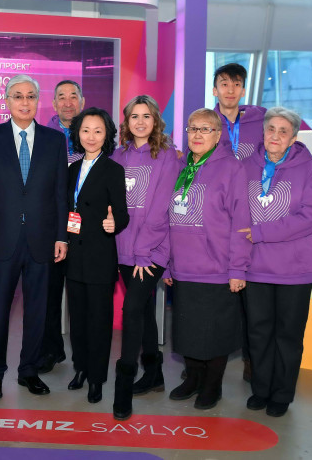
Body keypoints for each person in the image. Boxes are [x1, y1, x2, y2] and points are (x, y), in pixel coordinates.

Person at [0, 74, 68, 400]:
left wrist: (62, 236)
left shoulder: (55, 140)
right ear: (7, 101)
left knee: (38, 312)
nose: (25, 102)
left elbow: (60, 193)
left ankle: (29, 370)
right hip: (1, 239)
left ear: (38, 100)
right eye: (18, 96)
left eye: (30, 96)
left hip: (43, 239)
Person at [164, 108, 252, 410]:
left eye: (205, 129)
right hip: (183, 268)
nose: (198, 135)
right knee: (187, 331)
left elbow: (242, 222)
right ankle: (192, 379)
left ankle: (212, 386)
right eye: (193, 129)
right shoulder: (180, 166)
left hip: (217, 268)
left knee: (215, 333)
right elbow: (167, 218)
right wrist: (167, 263)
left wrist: (238, 268)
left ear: (218, 135)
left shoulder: (232, 168)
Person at [240, 107, 312, 418]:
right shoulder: (246, 166)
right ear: (263, 132)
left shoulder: (309, 168)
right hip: (255, 266)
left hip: (295, 269)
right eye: (271, 129)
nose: (275, 135)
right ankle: (261, 389)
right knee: (258, 332)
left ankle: (282, 393)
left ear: (293, 138)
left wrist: (260, 232)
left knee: (288, 335)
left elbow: (310, 217)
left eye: (283, 131)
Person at [111, 95, 181, 420]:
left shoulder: (168, 156)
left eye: (146, 116)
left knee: (132, 310)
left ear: (156, 121)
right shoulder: (118, 155)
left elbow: (160, 210)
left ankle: (123, 387)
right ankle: (154, 374)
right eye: (134, 116)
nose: (140, 122)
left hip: (152, 251)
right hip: (122, 248)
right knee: (144, 312)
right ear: (126, 122)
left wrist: (142, 252)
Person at [65, 107, 128, 404]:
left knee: (99, 321)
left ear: (107, 135)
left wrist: (115, 224)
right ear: (77, 134)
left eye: (98, 131)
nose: (91, 136)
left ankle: (97, 378)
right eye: (86, 130)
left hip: (100, 255)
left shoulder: (113, 170)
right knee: (77, 319)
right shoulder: (71, 170)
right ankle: (80, 368)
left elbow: (122, 214)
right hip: (73, 255)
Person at [212, 62, 266, 382]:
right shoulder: (205, 123)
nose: (230, 90)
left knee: (251, 299)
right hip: (217, 218)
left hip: (252, 214)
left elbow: (282, 149)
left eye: (236, 84)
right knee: (217, 297)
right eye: (224, 83)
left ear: (243, 90)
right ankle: (205, 361)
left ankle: (251, 360)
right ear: (214, 89)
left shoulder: (261, 121)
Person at [40, 80, 85, 374]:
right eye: (61, 97)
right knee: (49, 293)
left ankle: (83, 356)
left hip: (85, 226)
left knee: (81, 294)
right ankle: (51, 350)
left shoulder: (93, 132)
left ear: (82, 101)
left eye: (73, 96)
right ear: (54, 104)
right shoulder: (42, 137)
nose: (68, 102)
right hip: (51, 225)